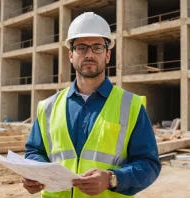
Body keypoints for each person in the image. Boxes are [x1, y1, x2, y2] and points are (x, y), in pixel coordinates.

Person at [23, 12, 161, 198]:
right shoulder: (48, 107)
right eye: (81, 48)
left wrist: (113, 178)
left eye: (97, 47)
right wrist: (34, 174)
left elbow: (149, 164)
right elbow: (35, 151)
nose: (89, 54)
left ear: (108, 54)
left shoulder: (131, 106)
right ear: (71, 55)